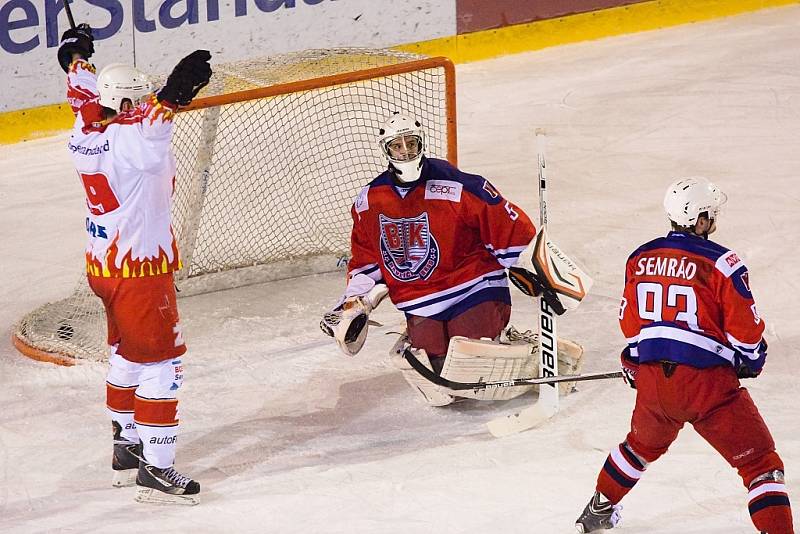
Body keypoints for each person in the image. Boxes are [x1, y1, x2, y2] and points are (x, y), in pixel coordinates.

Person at [321, 113, 588, 405]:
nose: (406, 151)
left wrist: (532, 264)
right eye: (397, 146)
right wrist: (357, 299)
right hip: (420, 297)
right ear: (386, 150)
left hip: (473, 284)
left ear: (421, 143)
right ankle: (485, 343)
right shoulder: (370, 200)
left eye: (411, 143)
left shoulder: (456, 185)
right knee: (435, 370)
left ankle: (528, 351)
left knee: (469, 357)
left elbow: (503, 222)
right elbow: (367, 259)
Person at [575, 177, 793, 533]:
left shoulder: (640, 256)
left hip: (655, 387)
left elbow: (631, 324)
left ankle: (598, 508)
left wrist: (634, 359)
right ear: (699, 219)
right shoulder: (723, 262)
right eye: (710, 214)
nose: (714, 219)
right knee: (760, 466)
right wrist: (752, 359)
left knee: (638, 447)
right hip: (707, 386)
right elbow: (745, 331)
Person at [58, 24, 212, 505]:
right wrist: (175, 92)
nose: (145, 105)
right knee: (163, 361)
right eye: (138, 100)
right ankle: (157, 470)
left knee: (125, 353)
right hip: (140, 273)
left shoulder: (85, 127)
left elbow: (82, 89)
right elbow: (157, 118)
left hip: (104, 267)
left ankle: (125, 449)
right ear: (127, 106)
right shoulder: (137, 142)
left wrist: (75, 57)